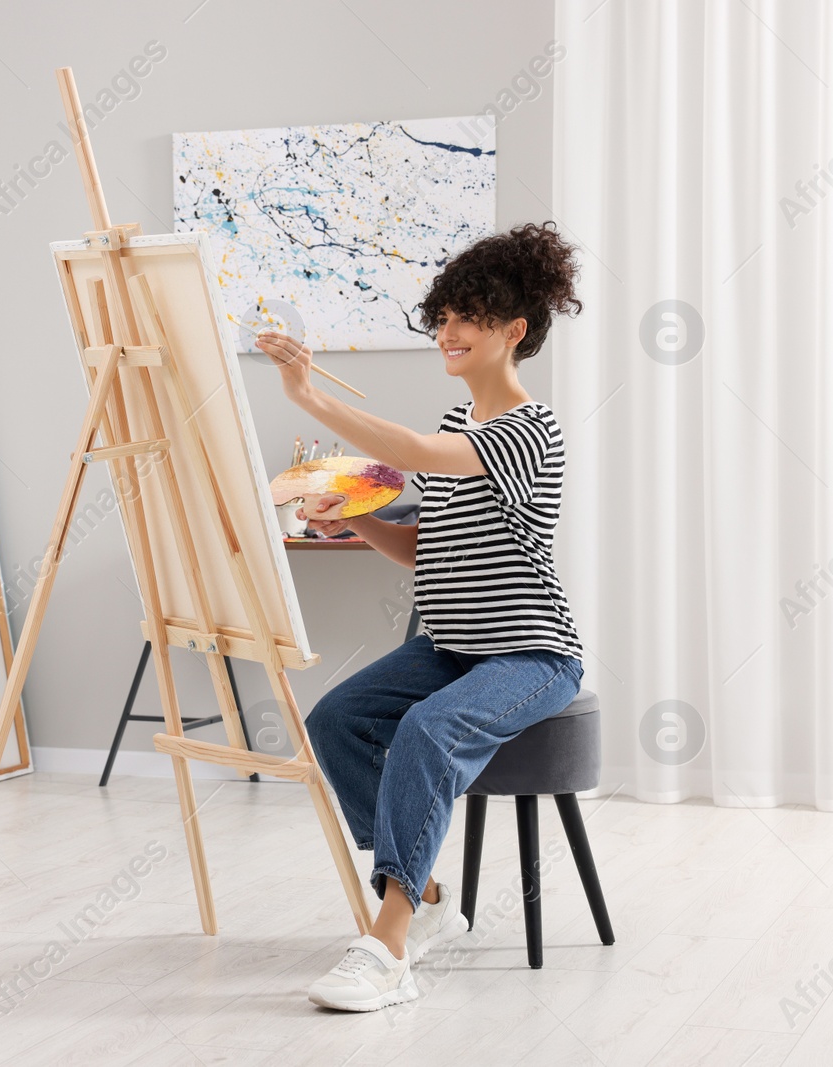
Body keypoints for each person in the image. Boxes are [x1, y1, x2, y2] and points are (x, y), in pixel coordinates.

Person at [257, 222, 586, 1012]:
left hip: (531, 656)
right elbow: (418, 550)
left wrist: (307, 396)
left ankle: (389, 941)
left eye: (467, 317)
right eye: (442, 317)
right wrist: (354, 520)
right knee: (336, 718)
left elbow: (405, 450)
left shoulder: (530, 433)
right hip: (452, 648)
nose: (448, 331)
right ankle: (428, 892)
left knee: (428, 731)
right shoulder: (455, 423)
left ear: (514, 331)